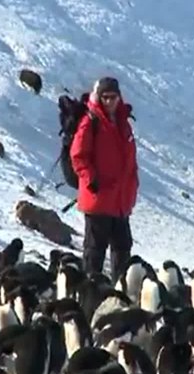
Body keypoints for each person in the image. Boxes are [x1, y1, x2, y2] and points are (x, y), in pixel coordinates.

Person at [70, 77, 139, 282]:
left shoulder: (123, 123)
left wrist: (133, 184)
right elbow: (78, 155)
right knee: (95, 251)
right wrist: (91, 179)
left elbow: (130, 160)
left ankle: (120, 292)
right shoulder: (90, 122)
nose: (110, 101)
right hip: (98, 198)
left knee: (123, 248)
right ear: (99, 97)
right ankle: (90, 296)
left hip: (120, 200)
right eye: (105, 97)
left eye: (114, 97)